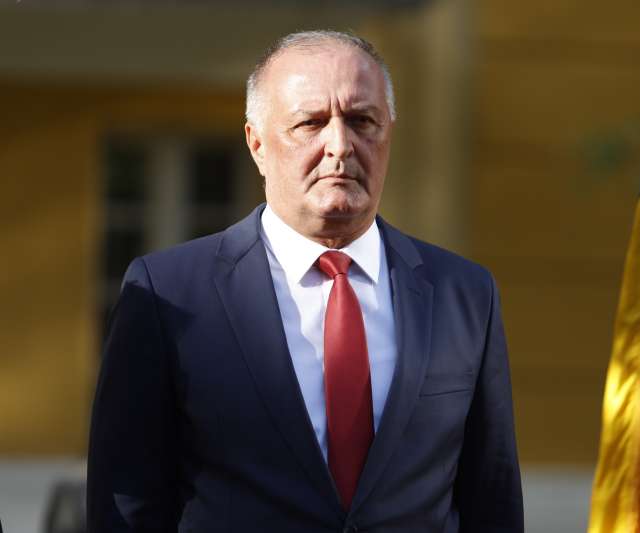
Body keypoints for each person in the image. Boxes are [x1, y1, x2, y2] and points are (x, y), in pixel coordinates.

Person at [87, 30, 523, 532]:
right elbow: (126, 507)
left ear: (389, 134)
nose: (340, 145)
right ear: (256, 143)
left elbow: (492, 499)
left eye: (362, 121)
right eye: (310, 123)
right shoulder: (168, 293)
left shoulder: (463, 295)